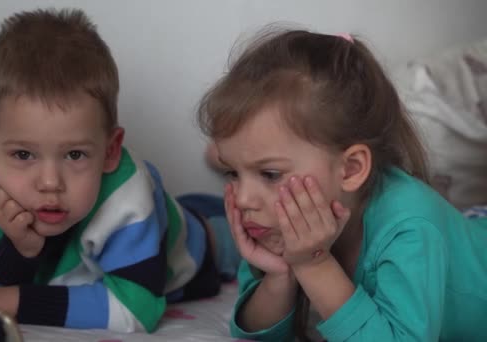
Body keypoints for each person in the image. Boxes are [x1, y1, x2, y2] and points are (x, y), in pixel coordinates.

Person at [0, 8, 238, 333]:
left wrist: (8, 301)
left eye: (75, 154)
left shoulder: (126, 192)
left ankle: (234, 163)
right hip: (151, 220)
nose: (50, 182)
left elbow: (136, 310)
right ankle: (229, 162)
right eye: (24, 154)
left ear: (110, 151)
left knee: (253, 227)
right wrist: (16, 253)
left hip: (200, 244)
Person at [198, 29, 487, 341]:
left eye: (269, 174)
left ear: (350, 169)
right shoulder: (285, 225)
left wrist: (313, 266)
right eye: (233, 174)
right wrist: (279, 275)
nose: (242, 199)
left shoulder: (411, 228)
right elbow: (257, 335)